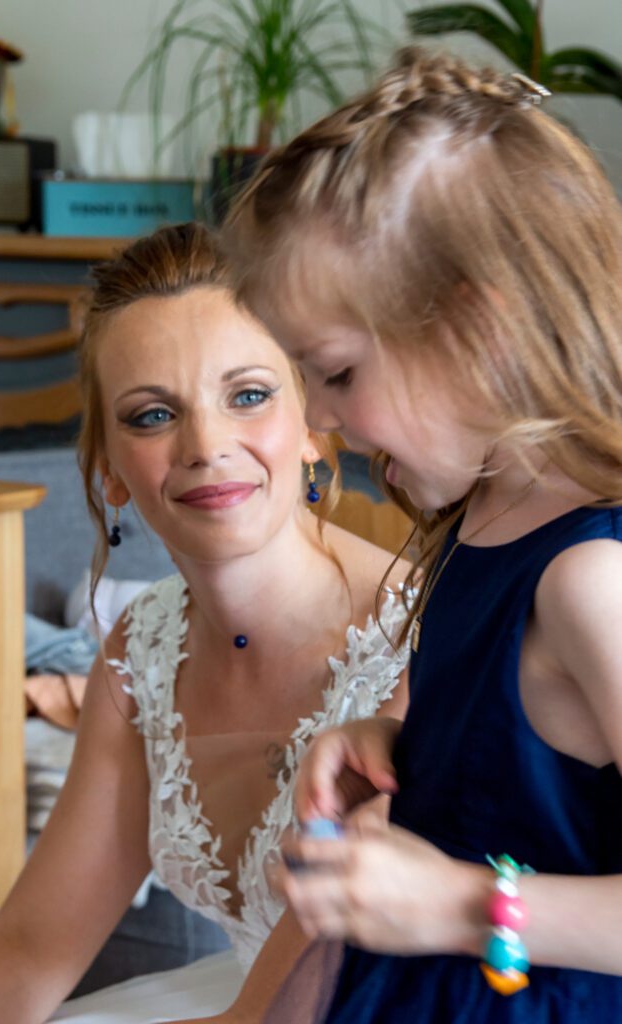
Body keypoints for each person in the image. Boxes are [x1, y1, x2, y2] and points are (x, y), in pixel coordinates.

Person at [222, 46, 622, 1022]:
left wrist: (455, 901)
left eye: (338, 372)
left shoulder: (587, 579)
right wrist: (400, 739)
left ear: (474, 332)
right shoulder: (479, 510)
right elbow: (533, 761)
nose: (317, 416)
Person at [0, 222, 410, 1024]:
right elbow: (28, 953)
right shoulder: (142, 655)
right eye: (152, 416)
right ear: (106, 471)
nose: (205, 444)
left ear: (311, 426)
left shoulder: (423, 641)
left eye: (248, 396)